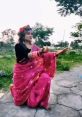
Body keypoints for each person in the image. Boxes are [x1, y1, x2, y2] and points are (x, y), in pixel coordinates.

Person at [10, 25, 68, 110]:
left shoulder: (34, 46)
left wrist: (56, 53)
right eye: (28, 34)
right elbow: (28, 55)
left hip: (34, 70)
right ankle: (21, 94)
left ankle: (40, 101)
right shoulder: (18, 46)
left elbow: (44, 54)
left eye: (31, 34)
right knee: (20, 99)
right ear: (22, 35)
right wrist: (39, 52)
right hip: (22, 73)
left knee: (46, 78)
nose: (30, 35)